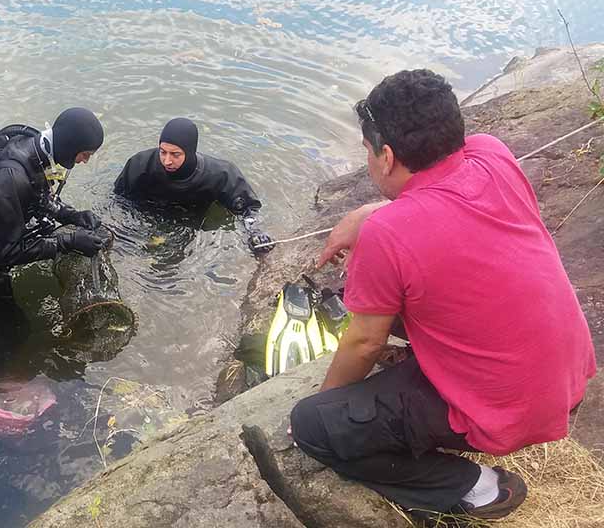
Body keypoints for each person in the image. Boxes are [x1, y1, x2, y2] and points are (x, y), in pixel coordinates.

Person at [288, 69, 596, 521]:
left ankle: (478, 488)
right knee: (387, 290)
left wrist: (329, 409)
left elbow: (364, 342)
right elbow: (438, 192)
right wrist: (365, 213)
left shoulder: (392, 234)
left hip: (509, 409)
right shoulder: (493, 155)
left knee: (312, 426)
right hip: (566, 382)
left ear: (386, 156)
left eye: (367, 153)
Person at [0, 107, 108, 301]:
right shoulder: (11, 178)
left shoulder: (29, 146)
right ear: (69, 145)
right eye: (85, 154)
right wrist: (69, 241)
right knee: (21, 329)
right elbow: (8, 253)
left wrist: (71, 215)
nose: (85, 161)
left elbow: (38, 195)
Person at [112, 117, 273, 254]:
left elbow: (248, 208)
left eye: (175, 154)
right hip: (145, 219)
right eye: (162, 152)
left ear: (189, 152)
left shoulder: (220, 174)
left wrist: (254, 232)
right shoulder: (140, 164)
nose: (167, 161)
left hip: (189, 223)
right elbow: (117, 199)